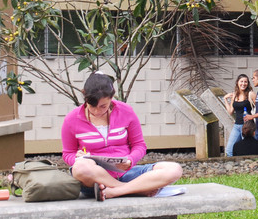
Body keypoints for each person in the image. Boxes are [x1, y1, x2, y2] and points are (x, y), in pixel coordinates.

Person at [62, 72, 183, 201]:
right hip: (95, 180)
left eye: (103, 106)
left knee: (174, 169)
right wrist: (77, 158)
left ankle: (116, 192)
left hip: (126, 173)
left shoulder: (126, 111)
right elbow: (67, 153)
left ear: (111, 97)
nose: (97, 111)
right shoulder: (72, 119)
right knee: (80, 167)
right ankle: (131, 189)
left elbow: (139, 145)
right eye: (92, 106)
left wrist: (130, 160)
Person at [223, 74, 255, 157]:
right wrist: (225, 99)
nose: (243, 84)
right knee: (229, 150)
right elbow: (230, 111)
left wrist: (254, 118)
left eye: (245, 82)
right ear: (237, 82)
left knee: (247, 150)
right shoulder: (235, 95)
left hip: (247, 126)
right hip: (237, 125)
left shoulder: (250, 94)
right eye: (241, 81)